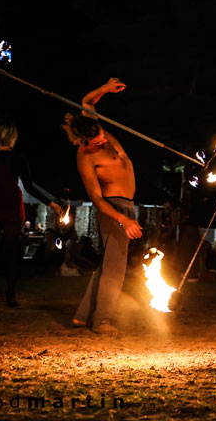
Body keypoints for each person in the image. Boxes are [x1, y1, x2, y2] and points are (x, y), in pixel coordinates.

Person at [63, 78, 143, 334]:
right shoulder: (85, 157)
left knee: (109, 264)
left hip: (126, 206)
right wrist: (123, 219)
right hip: (113, 209)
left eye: (102, 137)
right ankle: (102, 320)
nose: (102, 142)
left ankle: (83, 316)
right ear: (83, 142)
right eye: (97, 142)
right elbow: (96, 198)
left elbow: (87, 101)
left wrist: (105, 89)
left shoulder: (97, 129)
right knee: (115, 268)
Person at [0, 122, 63, 306]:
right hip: (11, 204)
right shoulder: (19, 158)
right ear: (11, 138)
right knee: (11, 250)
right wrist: (51, 203)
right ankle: (11, 295)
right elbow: (29, 187)